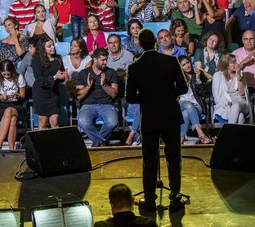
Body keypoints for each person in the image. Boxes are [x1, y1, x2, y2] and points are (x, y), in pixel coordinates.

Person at [125, 29, 188, 213]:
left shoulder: (135, 67)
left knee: (149, 159)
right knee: (174, 157)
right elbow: (183, 88)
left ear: (140, 44)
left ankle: (150, 199)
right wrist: (168, 95)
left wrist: (146, 99)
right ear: (155, 41)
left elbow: (129, 98)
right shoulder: (171, 61)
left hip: (150, 117)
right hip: (170, 115)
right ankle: (175, 197)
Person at [75, 48, 119, 147]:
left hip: (106, 104)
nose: (105, 62)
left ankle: (97, 143)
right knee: (83, 122)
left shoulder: (110, 72)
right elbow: (78, 96)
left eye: (106, 59)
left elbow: (114, 94)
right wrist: (88, 86)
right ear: (95, 59)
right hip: (88, 105)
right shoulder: (84, 73)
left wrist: (104, 85)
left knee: (112, 122)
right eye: (102, 60)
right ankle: (101, 142)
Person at [0, 59, 26, 151]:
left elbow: (23, 96)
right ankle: (11, 149)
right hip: (2, 105)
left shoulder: (19, 77)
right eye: (4, 74)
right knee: (13, 120)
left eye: (9, 74)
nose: (7, 76)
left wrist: (17, 95)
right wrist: (1, 97)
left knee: (9, 111)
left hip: (16, 105)